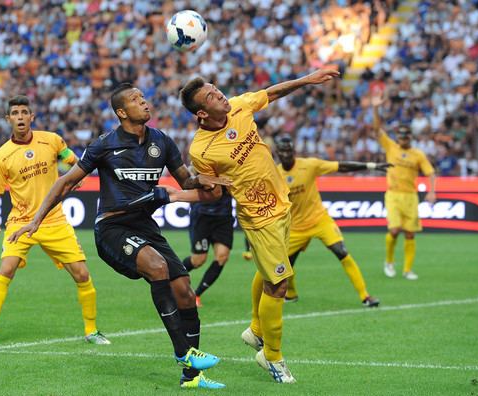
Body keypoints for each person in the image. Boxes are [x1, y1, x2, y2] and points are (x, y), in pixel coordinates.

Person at [9, 83, 228, 389]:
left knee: (184, 291)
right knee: (158, 267)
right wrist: (35, 220)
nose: (145, 102)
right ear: (123, 112)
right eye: (137, 100)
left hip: (145, 228)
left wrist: (204, 181)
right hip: (112, 229)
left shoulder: (161, 142)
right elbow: (65, 183)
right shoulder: (105, 145)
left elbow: (186, 180)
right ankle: (185, 354)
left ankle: (191, 378)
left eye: (144, 97)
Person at [180, 67, 340, 384]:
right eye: (211, 95)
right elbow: (212, 188)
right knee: (278, 285)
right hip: (258, 217)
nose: (220, 94)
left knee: (268, 272)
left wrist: (307, 79)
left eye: (216, 88)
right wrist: (204, 183)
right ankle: (272, 357)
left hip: (282, 203)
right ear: (201, 113)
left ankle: (255, 330)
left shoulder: (240, 105)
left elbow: (272, 92)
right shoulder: (201, 149)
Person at [0, 95, 110, 349]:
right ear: (8, 119)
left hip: (54, 219)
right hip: (20, 222)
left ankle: (91, 330)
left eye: (25, 112)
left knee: (81, 273)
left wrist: (76, 176)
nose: (21, 117)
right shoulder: (2, 156)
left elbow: (75, 162)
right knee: (6, 269)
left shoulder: (52, 140)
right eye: (15, 113)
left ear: (32, 117)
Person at [274, 135, 386, 307]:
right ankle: (291, 294)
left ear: (294, 151)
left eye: (289, 151)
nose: (286, 154)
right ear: (277, 153)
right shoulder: (275, 175)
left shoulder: (309, 165)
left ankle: (365, 296)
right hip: (296, 227)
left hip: (320, 220)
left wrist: (371, 166)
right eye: (282, 151)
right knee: (286, 264)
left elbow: (341, 166)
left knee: (342, 252)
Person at [372, 93, 436, 280]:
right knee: (394, 230)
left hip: (411, 196)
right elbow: (377, 129)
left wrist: (432, 191)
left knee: (410, 234)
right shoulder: (391, 147)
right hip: (393, 194)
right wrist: (375, 108)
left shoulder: (418, 154)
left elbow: (430, 172)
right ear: (398, 137)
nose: (403, 139)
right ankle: (389, 262)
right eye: (401, 136)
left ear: (410, 138)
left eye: (406, 137)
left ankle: (407, 270)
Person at [181, 187, 234, 307]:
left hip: (224, 217)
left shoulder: (232, 168)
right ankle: (171, 278)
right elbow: (192, 180)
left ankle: (196, 295)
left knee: (222, 257)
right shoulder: (203, 168)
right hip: (202, 215)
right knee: (198, 260)